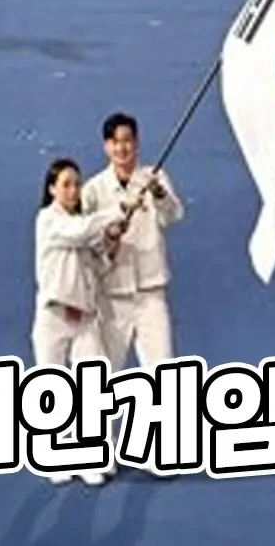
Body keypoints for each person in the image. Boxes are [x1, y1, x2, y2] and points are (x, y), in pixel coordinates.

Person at [33, 156, 143, 486]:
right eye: (66, 185)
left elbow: (98, 265)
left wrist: (111, 242)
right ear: (52, 189)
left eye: (76, 185)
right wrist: (119, 209)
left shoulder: (83, 223)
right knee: (52, 389)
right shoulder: (49, 221)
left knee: (93, 386)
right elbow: (79, 232)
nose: (73, 191)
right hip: (54, 317)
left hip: (84, 319)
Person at [82, 113, 184, 373]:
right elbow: (86, 239)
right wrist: (110, 235)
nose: (122, 148)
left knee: (163, 372)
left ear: (136, 143)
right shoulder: (94, 189)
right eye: (115, 142)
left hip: (151, 294)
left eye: (127, 140)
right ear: (106, 146)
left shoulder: (154, 177)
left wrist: (158, 193)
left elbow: (173, 215)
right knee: (103, 372)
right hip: (112, 297)